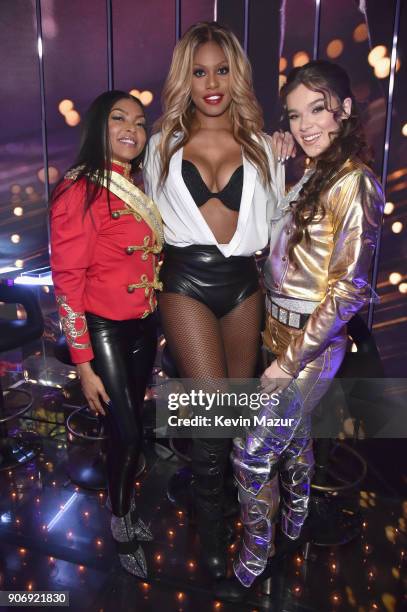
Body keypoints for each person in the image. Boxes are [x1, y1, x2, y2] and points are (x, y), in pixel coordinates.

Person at [216, 60, 384, 602]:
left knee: (250, 451)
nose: (307, 124)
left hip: (311, 347)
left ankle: (257, 552)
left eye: (318, 108)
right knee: (294, 440)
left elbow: (350, 289)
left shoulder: (355, 183)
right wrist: (273, 157)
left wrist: (289, 360)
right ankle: (294, 521)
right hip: (275, 331)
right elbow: (275, 248)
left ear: (345, 111)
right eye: (296, 114)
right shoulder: (313, 173)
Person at [143, 21, 291, 579]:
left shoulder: (262, 145)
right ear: (186, 77)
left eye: (222, 70)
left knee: (237, 410)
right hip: (184, 280)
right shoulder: (161, 147)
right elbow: (143, 221)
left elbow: (279, 221)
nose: (211, 82)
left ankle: (233, 507)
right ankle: (210, 532)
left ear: (237, 75)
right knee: (207, 410)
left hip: (242, 282)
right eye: (200, 71)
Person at [50, 90, 163, 580]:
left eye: (139, 122)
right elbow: (67, 282)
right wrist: (82, 361)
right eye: (119, 119)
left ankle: (123, 499)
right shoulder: (80, 189)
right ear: (99, 125)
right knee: (132, 430)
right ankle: (121, 520)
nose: (131, 130)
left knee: (128, 424)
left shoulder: (133, 181)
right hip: (104, 330)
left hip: (143, 323)